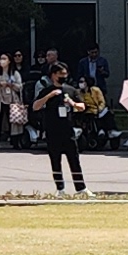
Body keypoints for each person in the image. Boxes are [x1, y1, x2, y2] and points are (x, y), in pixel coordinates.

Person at [34, 66, 90, 194]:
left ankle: (81, 188)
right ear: (53, 75)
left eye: (65, 73)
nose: (63, 76)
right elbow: (35, 106)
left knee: (74, 159)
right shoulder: (47, 90)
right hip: (52, 131)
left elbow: (82, 106)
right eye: (61, 74)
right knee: (55, 160)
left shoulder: (70, 90)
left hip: (68, 130)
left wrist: (73, 103)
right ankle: (60, 188)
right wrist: (49, 96)